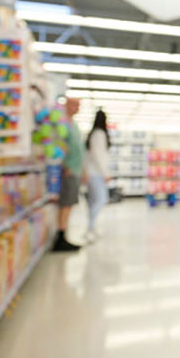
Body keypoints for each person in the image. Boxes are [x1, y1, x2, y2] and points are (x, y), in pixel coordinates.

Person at [52, 97, 83, 252]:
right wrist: (64, 165)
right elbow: (58, 146)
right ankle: (61, 237)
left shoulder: (74, 124)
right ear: (66, 105)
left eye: (78, 105)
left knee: (70, 204)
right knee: (65, 204)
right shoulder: (62, 124)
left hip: (75, 170)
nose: (76, 107)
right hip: (68, 170)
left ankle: (64, 234)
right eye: (73, 104)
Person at [84, 109, 111, 242]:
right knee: (100, 199)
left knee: (94, 201)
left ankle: (92, 228)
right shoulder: (100, 134)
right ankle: (90, 229)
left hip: (93, 172)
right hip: (96, 173)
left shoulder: (93, 133)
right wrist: (105, 173)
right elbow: (98, 155)